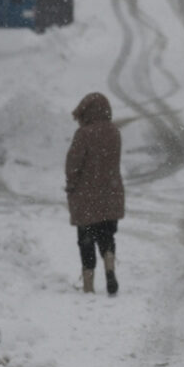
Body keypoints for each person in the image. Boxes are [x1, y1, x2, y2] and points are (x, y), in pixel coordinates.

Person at [65, 92, 124, 295]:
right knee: (107, 234)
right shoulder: (115, 132)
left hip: (86, 195)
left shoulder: (84, 134)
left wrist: (71, 184)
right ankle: (109, 264)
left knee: (86, 239)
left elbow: (73, 164)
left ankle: (89, 284)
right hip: (111, 192)